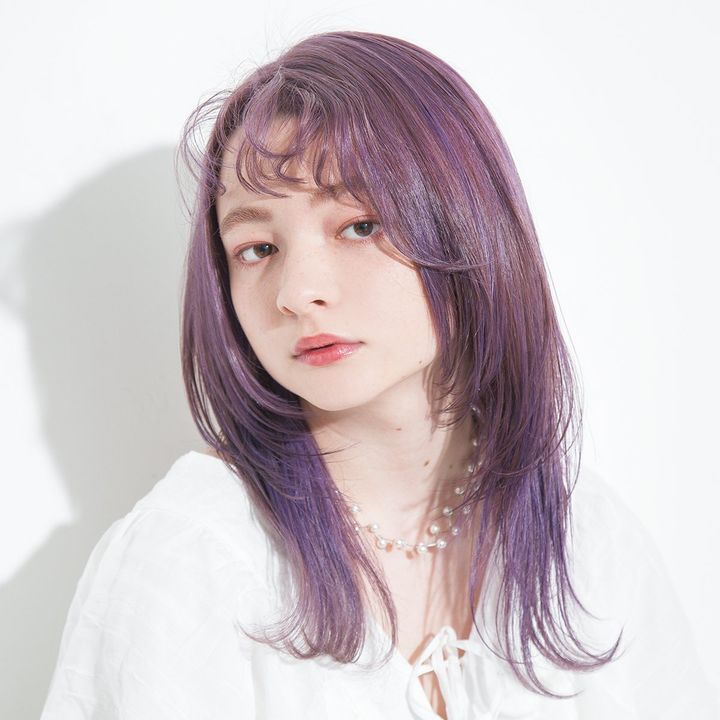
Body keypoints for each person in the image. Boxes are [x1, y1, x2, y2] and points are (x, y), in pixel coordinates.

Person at [40, 30, 718, 720]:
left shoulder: (583, 538)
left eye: (359, 226)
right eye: (258, 248)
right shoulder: (195, 555)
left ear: (468, 224)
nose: (297, 292)